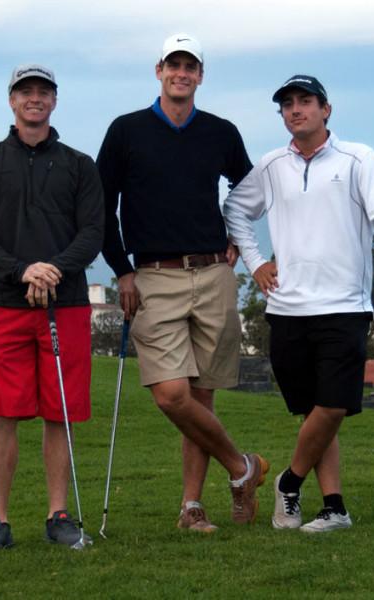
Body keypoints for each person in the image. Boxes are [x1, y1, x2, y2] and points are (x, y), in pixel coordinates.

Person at [223, 75, 374, 533]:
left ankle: (288, 484)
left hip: (344, 306)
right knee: (315, 410)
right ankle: (333, 506)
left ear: (326, 109)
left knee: (332, 406)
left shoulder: (359, 159)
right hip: (287, 308)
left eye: (305, 102)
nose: (296, 110)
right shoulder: (272, 165)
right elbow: (235, 209)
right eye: (287, 105)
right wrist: (255, 263)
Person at [97, 34, 267, 532]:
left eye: (190, 66)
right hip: (152, 275)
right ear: (159, 70)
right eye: (174, 64)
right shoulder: (126, 131)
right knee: (172, 395)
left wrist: (237, 236)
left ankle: (192, 507)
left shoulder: (220, 131)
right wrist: (120, 269)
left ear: (200, 74)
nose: (182, 73)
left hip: (214, 272)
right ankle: (243, 469)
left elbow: (249, 189)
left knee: (201, 396)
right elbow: (102, 207)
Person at [0, 64, 104, 553]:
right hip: (5, 303)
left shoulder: (80, 165)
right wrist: (22, 270)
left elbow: (92, 233)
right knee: (1, 413)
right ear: (12, 101)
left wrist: (52, 270)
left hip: (65, 304)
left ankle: (58, 514)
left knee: (58, 413)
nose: (35, 99)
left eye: (43, 92)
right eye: (26, 92)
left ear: (55, 102)